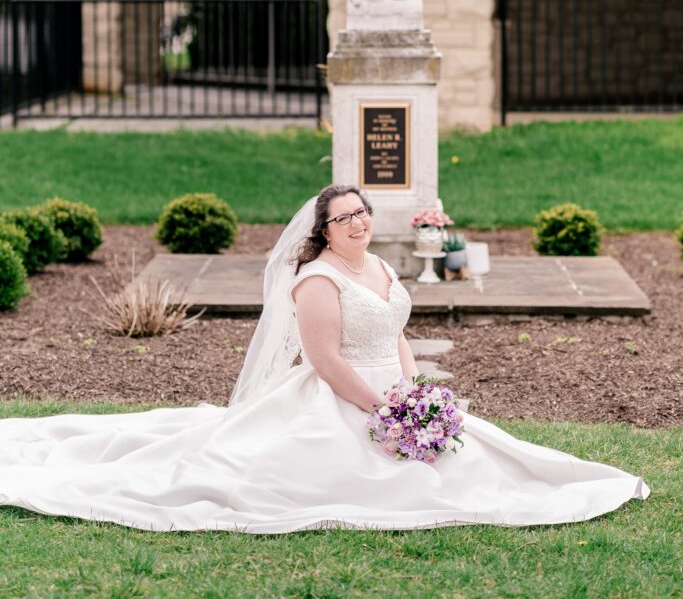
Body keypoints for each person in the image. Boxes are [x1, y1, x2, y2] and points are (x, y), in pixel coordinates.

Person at [0, 184, 649, 532]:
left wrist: (413, 388)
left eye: (362, 213)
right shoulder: (317, 281)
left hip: (397, 392)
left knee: (482, 458)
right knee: (317, 475)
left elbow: (395, 329)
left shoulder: (379, 269)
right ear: (323, 232)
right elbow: (326, 359)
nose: (359, 223)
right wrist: (385, 406)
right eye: (345, 219)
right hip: (340, 398)